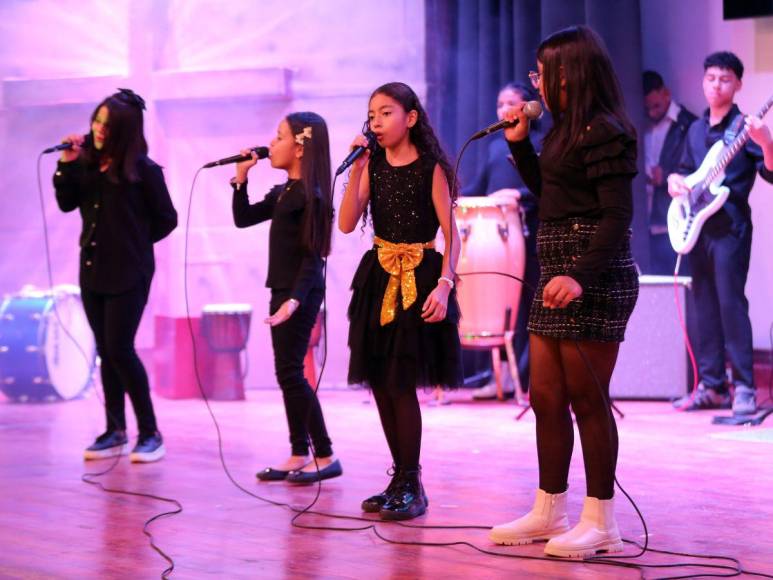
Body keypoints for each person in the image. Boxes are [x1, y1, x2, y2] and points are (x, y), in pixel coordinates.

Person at [489, 26, 639, 558]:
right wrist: (518, 144)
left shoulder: (607, 131)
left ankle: (602, 519)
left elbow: (617, 215)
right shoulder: (561, 131)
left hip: (594, 276)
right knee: (544, 397)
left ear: (568, 75)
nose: (537, 84)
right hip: (555, 269)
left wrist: (581, 275)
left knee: (586, 401)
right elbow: (550, 192)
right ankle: (549, 508)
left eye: (542, 74)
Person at [339, 82, 463, 520]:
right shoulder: (372, 165)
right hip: (379, 276)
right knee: (381, 382)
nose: (376, 120)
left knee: (401, 381)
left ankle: (413, 481)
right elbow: (346, 223)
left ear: (410, 118)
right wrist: (359, 166)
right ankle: (399, 478)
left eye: (386, 112)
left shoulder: (429, 167)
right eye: (371, 113)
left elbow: (453, 233)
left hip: (421, 274)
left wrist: (446, 283)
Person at [53, 89, 177, 463]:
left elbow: (166, 219)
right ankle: (115, 430)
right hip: (92, 270)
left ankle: (151, 432)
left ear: (124, 129)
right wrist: (67, 162)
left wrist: (136, 243)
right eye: (97, 120)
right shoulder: (89, 165)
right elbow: (65, 202)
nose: (98, 128)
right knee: (106, 352)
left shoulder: (144, 171)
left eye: (107, 124)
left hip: (129, 272)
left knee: (121, 348)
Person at [231, 112, 342, 483]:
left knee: (292, 373)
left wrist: (292, 301)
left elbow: (313, 259)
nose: (271, 144)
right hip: (282, 289)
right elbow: (243, 218)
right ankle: (299, 451)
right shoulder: (284, 192)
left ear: (299, 147)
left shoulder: (313, 196)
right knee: (287, 373)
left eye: (278, 137)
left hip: (300, 293)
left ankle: (324, 454)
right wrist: (241, 180)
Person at [669, 52, 773, 415]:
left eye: (725, 79)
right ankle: (711, 386)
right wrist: (674, 181)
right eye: (711, 77)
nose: (716, 85)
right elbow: (683, 171)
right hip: (696, 226)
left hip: (730, 228)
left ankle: (744, 386)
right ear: (703, 81)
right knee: (703, 308)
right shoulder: (696, 130)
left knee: (731, 304)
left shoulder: (746, 126)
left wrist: (766, 143)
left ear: (738, 84)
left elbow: (771, 174)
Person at [463, 81, 550, 400]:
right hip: (496, 241)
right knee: (500, 306)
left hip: (529, 235)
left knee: (529, 308)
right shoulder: (494, 146)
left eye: (511, 103)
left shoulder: (540, 141)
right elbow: (479, 186)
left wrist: (518, 194)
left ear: (528, 106)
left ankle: (527, 379)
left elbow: (547, 189)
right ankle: (502, 376)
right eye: (500, 104)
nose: (504, 110)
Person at [642, 70, 697, 275]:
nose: (652, 113)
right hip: (646, 222)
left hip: (677, 220)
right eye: (646, 108)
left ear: (666, 93)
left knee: (680, 287)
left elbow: (697, 170)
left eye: (655, 106)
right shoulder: (640, 124)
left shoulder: (689, 125)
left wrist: (665, 177)